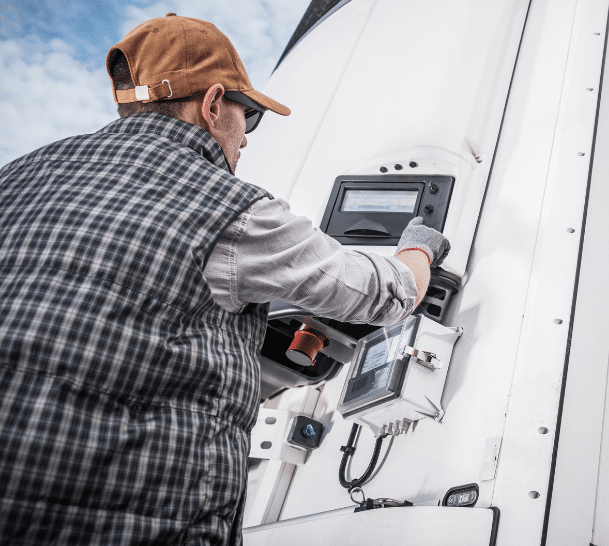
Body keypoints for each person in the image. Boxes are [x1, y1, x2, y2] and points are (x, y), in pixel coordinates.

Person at [0, 14, 449, 545]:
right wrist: (419, 246)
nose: (246, 140)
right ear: (213, 105)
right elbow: (384, 293)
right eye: (249, 117)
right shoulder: (227, 207)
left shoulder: (19, 175)